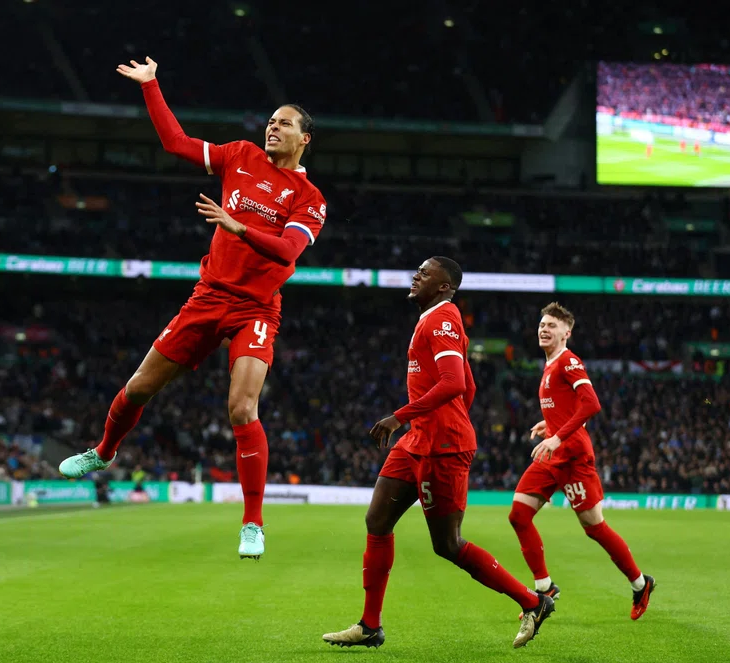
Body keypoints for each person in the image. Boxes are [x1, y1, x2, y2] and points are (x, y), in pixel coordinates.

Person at [58, 57, 328, 560]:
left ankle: (253, 524)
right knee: (138, 387)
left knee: (242, 407)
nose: (272, 126)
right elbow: (176, 144)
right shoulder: (240, 155)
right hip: (208, 297)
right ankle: (103, 452)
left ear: (304, 139)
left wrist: (238, 225)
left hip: (256, 308)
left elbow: (289, 251)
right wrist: (151, 85)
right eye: (270, 120)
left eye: (284, 122)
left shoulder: (309, 197)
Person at [322, 258, 554, 650]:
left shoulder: (442, 320)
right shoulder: (433, 318)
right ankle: (369, 626)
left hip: (443, 445)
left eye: (425, 273)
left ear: (445, 287)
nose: (416, 276)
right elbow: (470, 386)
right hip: (418, 440)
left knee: (448, 545)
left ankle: (534, 602)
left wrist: (400, 417)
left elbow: (453, 383)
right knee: (377, 520)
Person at [508, 302, 656, 620]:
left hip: (573, 457)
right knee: (519, 514)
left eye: (551, 325)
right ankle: (544, 587)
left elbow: (591, 404)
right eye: (541, 324)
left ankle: (641, 583)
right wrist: (548, 426)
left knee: (594, 527)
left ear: (566, 332)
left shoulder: (568, 361)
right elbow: (568, 409)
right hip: (553, 454)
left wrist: (557, 437)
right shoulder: (549, 366)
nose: (544, 329)